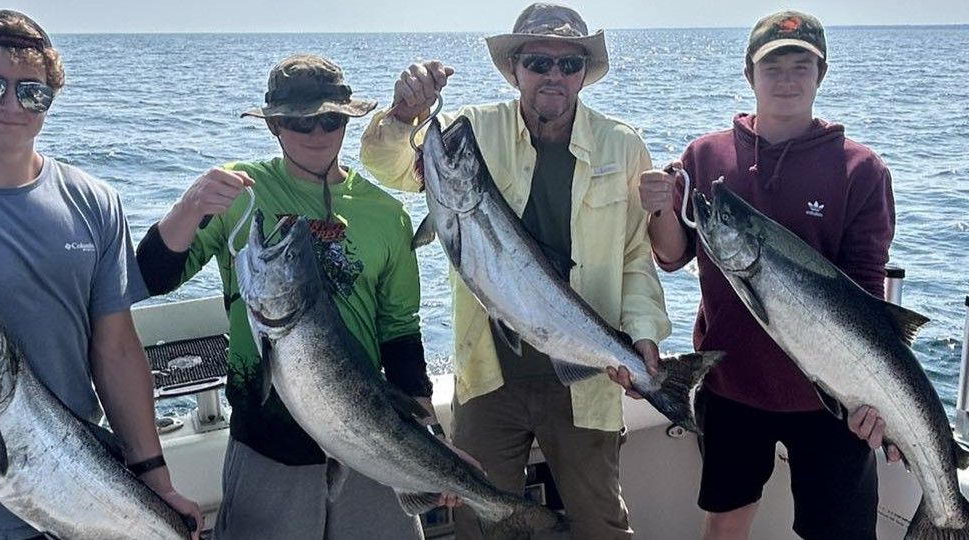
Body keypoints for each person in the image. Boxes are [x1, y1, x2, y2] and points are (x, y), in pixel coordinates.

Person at [359, 3, 671, 538]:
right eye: (538, 61)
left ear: (584, 73)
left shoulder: (622, 145)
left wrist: (641, 336)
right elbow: (386, 165)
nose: (554, 74)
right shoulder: (469, 132)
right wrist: (402, 113)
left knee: (600, 523)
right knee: (482, 524)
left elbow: (635, 257)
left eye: (568, 64)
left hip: (586, 377)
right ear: (514, 69)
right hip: (488, 377)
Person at [0, 10, 202, 540]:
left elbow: (117, 351)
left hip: (88, 488)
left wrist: (155, 477)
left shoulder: (94, 200)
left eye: (32, 92)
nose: (12, 105)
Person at [135, 53, 468, 540]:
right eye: (299, 122)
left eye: (330, 120)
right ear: (273, 127)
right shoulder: (237, 193)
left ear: (347, 119)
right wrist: (188, 208)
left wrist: (429, 440)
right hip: (266, 447)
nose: (317, 135)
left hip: (371, 447)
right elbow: (150, 278)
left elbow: (400, 332)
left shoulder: (386, 214)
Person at [638, 10, 898, 540]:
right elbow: (672, 256)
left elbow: (867, 291)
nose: (786, 79)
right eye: (772, 66)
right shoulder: (704, 155)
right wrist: (662, 208)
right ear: (748, 75)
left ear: (820, 75)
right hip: (731, 383)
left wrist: (869, 396)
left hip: (829, 396)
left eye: (801, 66)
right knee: (725, 524)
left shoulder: (860, 168)